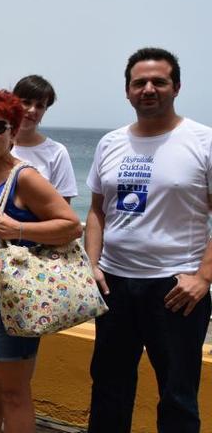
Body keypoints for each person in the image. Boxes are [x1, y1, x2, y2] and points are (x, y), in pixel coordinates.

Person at [86, 48, 212, 433]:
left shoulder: (202, 141)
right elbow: (96, 211)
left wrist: (203, 278)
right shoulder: (110, 143)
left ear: (176, 87)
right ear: (127, 91)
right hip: (115, 286)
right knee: (108, 390)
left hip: (176, 289)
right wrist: (91, 264)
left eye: (159, 81)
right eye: (139, 82)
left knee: (176, 396)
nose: (149, 89)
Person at [0, 89, 81, 433]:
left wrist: (20, 228)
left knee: (13, 393)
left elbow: (70, 225)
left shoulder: (24, 177)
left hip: (9, 303)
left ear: (13, 130)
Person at [9, 75, 77, 201]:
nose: (32, 110)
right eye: (26, 102)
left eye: (40, 106)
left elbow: (64, 210)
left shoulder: (57, 152)